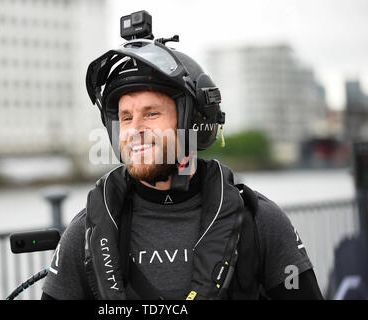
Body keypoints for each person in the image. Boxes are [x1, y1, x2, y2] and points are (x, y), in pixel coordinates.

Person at [41, 32, 324, 300]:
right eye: (126, 118)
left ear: (191, 122)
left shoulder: (260, 222)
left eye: (151, 114)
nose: (134, 130)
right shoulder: (84, 234)